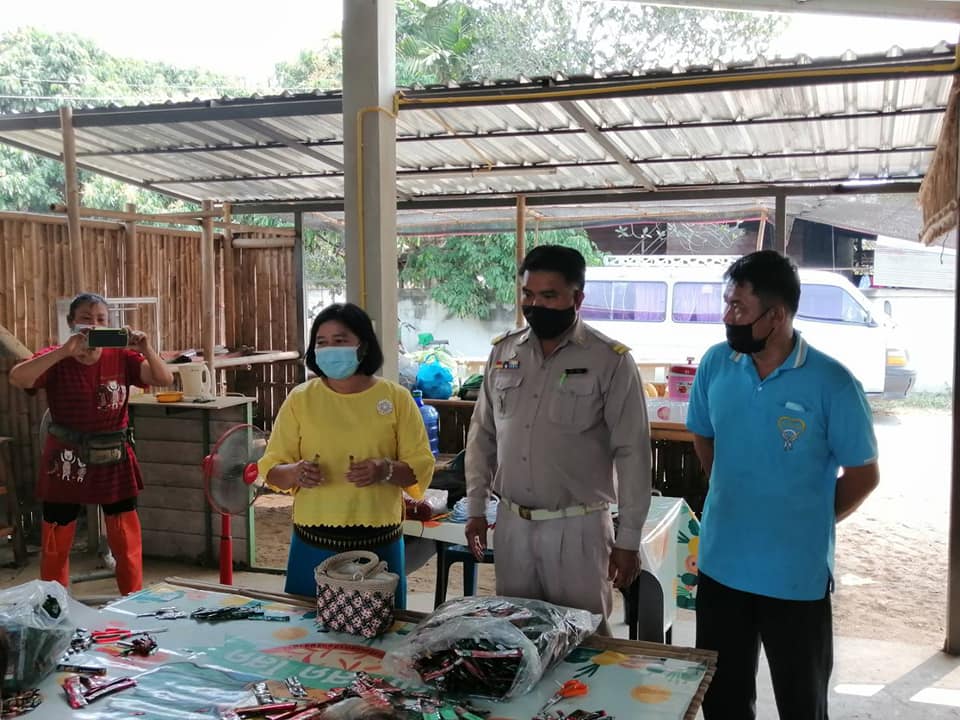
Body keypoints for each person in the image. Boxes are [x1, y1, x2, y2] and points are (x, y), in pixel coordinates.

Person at [686, 250, 879, 720]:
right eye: (727, 303)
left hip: (795, 577)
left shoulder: (832, 383)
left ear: (776, 316)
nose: (727, 317)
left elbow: (863, 475)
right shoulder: (716, 363)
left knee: (801, 703)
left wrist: (808, 519)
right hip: (720, 566)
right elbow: (703, 434)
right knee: (723, 701)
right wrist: (728, 490)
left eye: (739, 307)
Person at [464, 245, 652, 634]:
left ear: (577, 299)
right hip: (513, 525)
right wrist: (477, 509)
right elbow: (483, 435)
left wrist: (629, 539)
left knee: (585, 641)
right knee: (519, 637)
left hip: (578, 528)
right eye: (528, 295)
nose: (536, 306)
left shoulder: (609, 360)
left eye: (549, 296)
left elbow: (632, 452)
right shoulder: (503, 352)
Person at [257, 303, 435, 606]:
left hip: (379, 543)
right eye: (321, 342)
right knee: (307, 626)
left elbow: (421, 468)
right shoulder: (301, 399)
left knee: (380, 627)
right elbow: (272, 469)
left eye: (339, 341)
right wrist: (295, 472)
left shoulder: (396, 399)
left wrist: (385, 470)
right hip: (313, 541)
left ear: (363, 346)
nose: (330, 350)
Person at [8, 292, 174, 595]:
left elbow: (164, 379)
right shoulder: (55, 357)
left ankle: (132, 600)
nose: (93, 325)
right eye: (85, 319)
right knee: (56, 538)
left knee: (125, 537)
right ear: (71, 323)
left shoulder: (122, 357)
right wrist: (63, 352)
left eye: (101, 319)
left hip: (114, 455)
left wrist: (146, 348)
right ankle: (54, 605)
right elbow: (19, 378)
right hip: (66, 460)